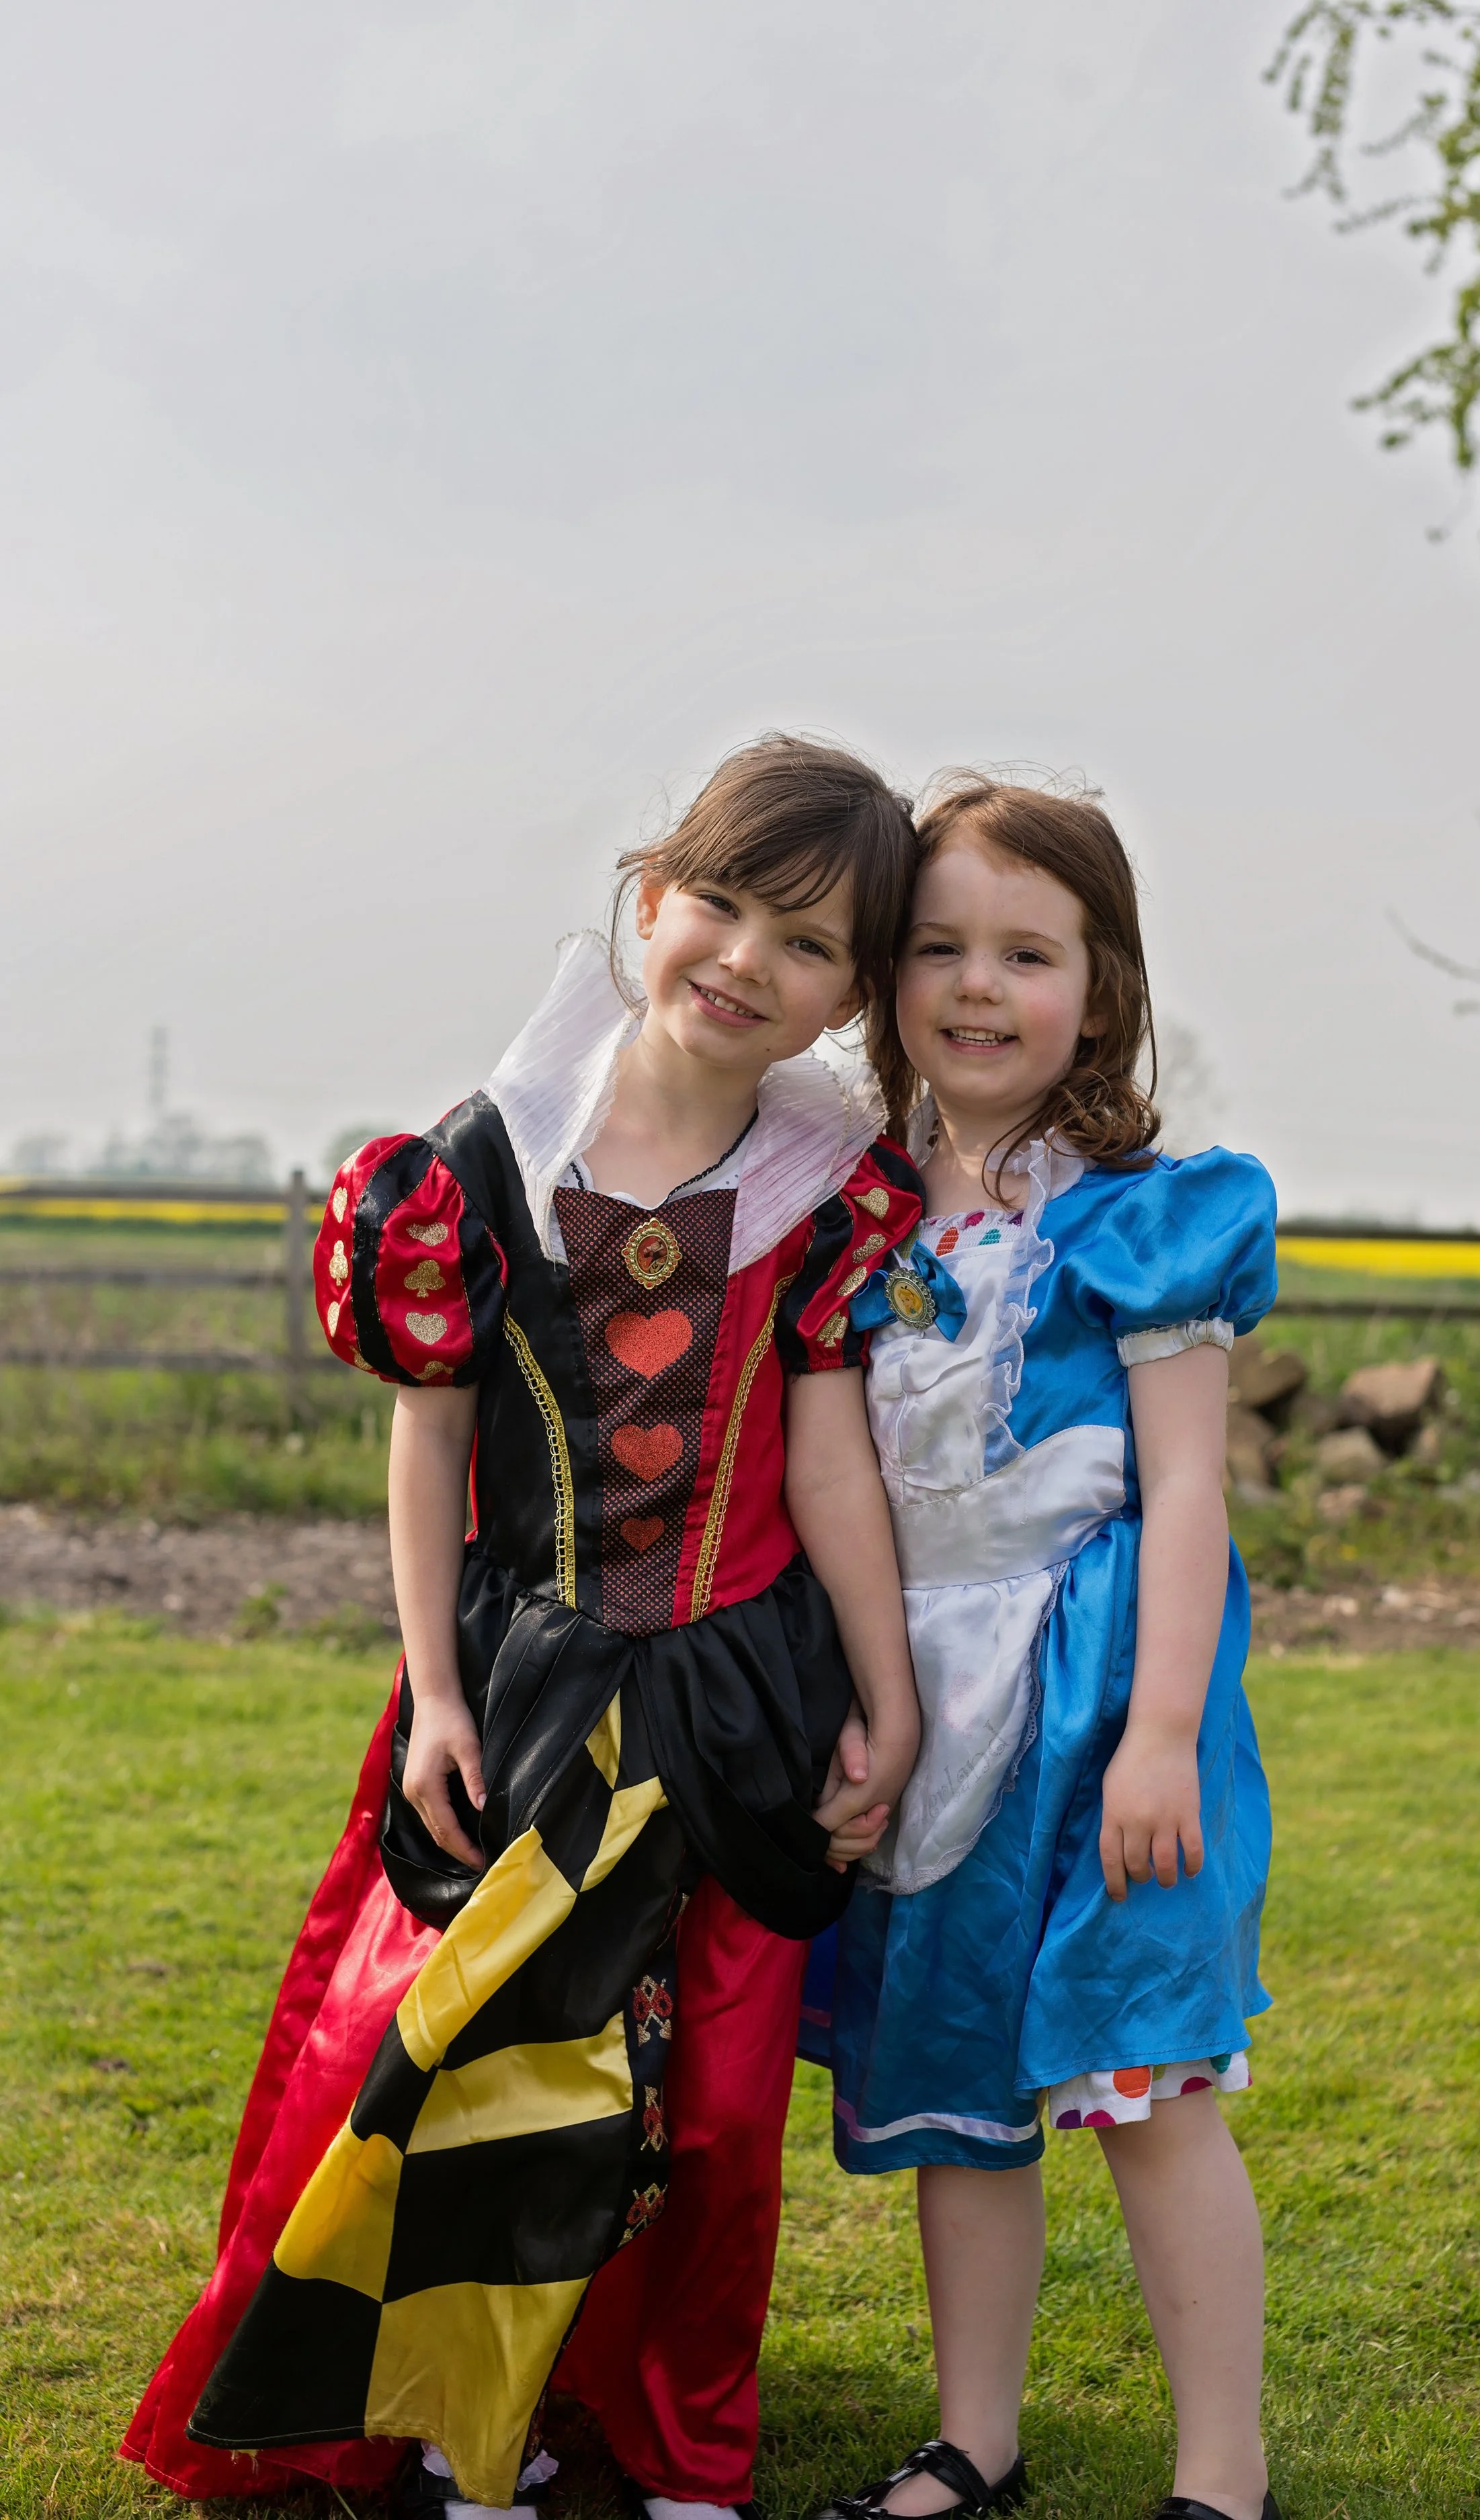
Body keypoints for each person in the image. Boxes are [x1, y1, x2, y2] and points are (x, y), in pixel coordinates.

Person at [122, 736, 925, 2520]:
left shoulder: (830, 1195)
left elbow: (833, 1462)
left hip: (742, 1699)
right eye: (719, 904)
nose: (744, 959)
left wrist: (888, 1698)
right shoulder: (469, 1166)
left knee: (710, 2108)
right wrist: (427, 1694)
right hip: (522, 1681)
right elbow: (427, 1447)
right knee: (471, 2068)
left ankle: (683, 2450)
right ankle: (472, 2425)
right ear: (649, 900)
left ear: (847, 999)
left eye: (805, 943)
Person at [811, 778, 1282, 2520]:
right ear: (884, 979)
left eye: (1026, 950)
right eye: (936, 947)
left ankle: (1218, 2475)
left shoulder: (1147, 1213)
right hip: (931, 1701)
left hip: (1103, 1701)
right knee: (953, 2093)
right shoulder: (853, 1217)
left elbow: (1181, 1490)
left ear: (1102, 985)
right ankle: (974, 2435)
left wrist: (1160, 1728)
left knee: (1142, 2082)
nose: (976, 985)